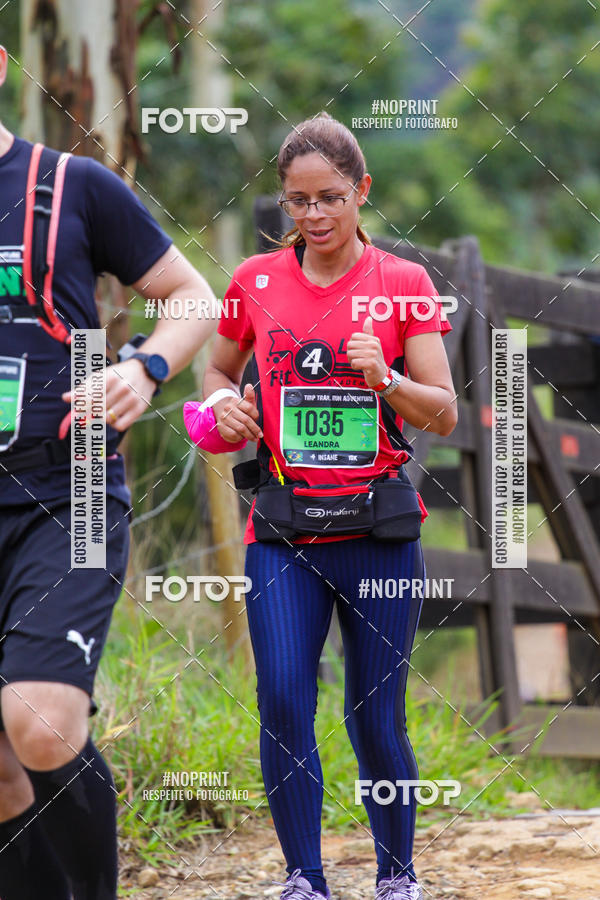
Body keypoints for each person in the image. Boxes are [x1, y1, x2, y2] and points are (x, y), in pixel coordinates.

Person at [200, 112, 457, 900]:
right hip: (283, 529)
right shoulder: (255, 281)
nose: (313, 216)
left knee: (375, 713)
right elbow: (213, 374)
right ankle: (304, 878)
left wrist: (385, 378)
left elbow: (442, 411)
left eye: (331, 199)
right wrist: (223, 411)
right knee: (282, 695)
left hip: (378, 530)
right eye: (297, 201)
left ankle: (395, 876)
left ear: (362, 192)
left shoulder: (404, 286)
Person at [0, 44, 218, 900]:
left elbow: (193, 296)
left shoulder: (73, 186)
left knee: (41, 723)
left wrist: (144, 368)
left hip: (72, 488)